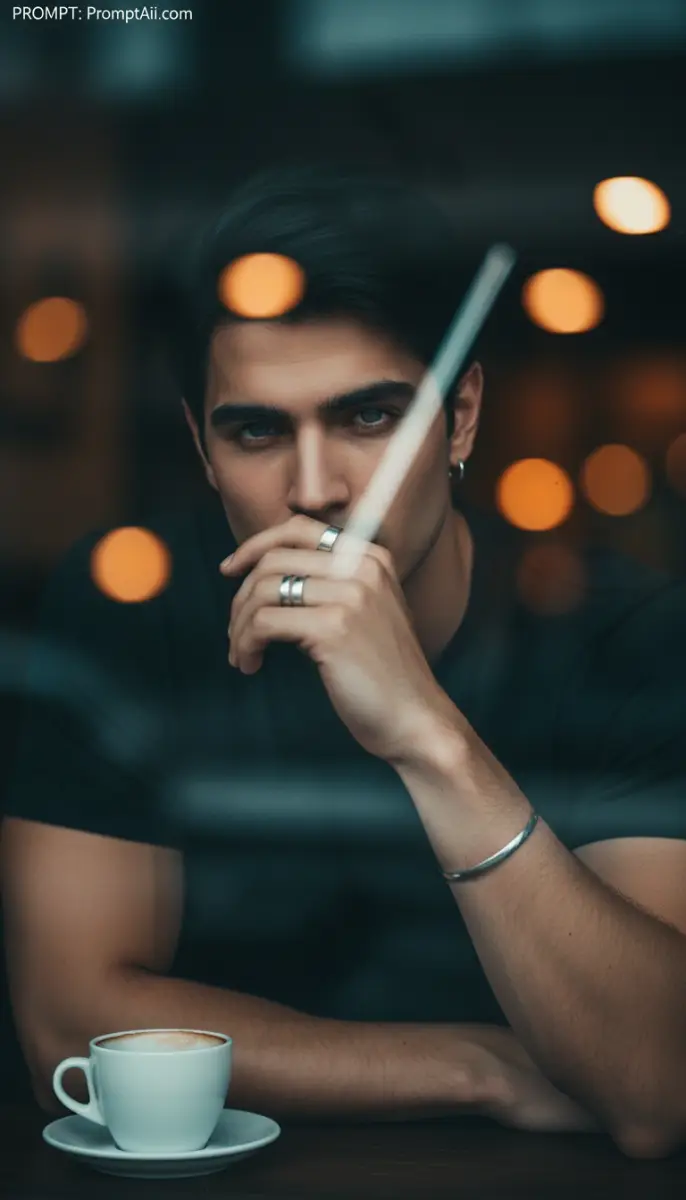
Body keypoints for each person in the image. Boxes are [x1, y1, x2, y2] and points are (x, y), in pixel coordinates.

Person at [3, 165, 686, 1158]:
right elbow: (68, 1032)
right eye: (255, 430)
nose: (314, 486)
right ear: (199, 446)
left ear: (457, 419)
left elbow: (653, 1082)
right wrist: (480, 1068)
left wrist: (426, 734)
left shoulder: (620, 635)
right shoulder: (129, 614)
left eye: (368, 416)